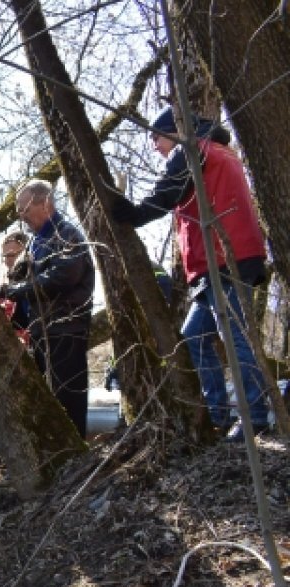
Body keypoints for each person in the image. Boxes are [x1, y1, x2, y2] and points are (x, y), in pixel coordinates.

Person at [110, 107, 271, 440]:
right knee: (195, 337)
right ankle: (220, 413)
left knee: (236, 339)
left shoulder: (192, 148)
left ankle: (254, 418)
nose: (154, 146)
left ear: (172, 130)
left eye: (155, 137)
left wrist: (132, 214)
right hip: (227, 258)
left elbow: (168, 192)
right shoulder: (218, 150)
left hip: (226, 258)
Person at [0, 179, 95, 438]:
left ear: (45, 203)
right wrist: (3, 290)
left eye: (25, 209)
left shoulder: (67, 235)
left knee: (66, 397)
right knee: (45, 401)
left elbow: (63, 276)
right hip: (41, 331)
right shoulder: (35, 242)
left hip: (65, 327)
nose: (21, 215)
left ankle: (74, 455)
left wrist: (20, 290)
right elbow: (19, 277)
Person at [0, 232, 32, 345]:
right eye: (5, 256)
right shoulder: (3, 287)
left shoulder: (36, 279)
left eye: (11, 255)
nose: (7, 260)